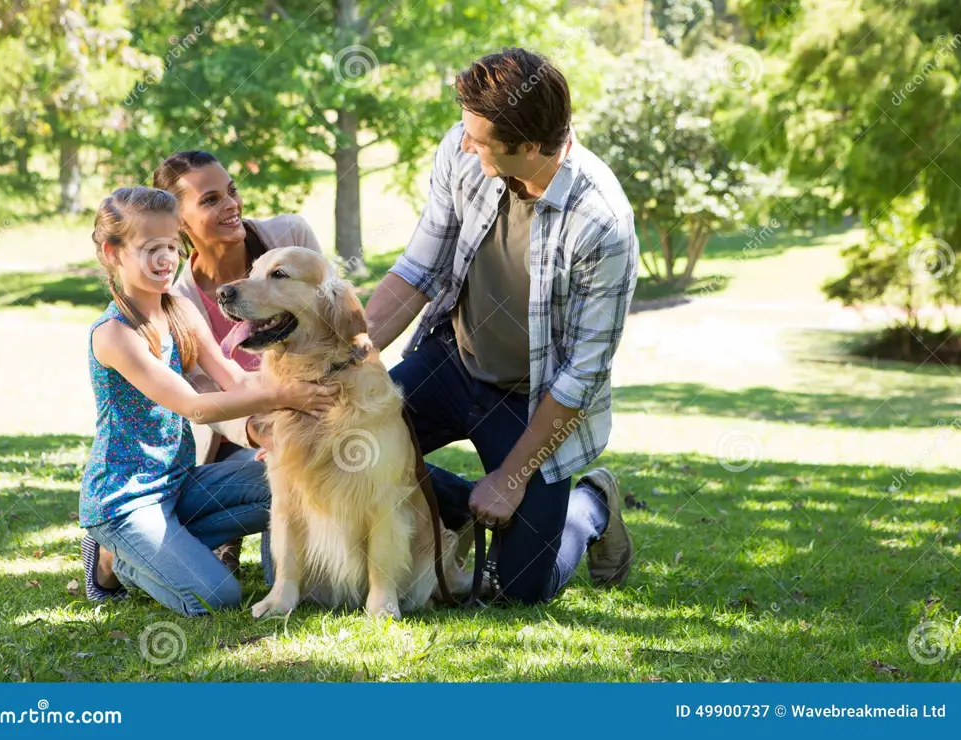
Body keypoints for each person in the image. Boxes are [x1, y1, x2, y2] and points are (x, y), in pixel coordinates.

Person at [365, 48, 639, 605]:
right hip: (453, 362)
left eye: (479, 139)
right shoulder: (463, 151)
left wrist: (513, 478)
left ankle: (590, 502)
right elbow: (419, 269)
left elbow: (582, 376)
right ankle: (471, 499)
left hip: (533, 401)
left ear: (531, 146)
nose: (464, 143)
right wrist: (344, 360)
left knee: (515, 590)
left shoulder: (602, 223)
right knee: (354, 442)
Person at [78, 186, 338, 616]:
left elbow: (233, 377)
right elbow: (194, 407)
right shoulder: (115, 335)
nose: (165, 259)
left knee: (290, 487)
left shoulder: (180, 309)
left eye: (171, 246)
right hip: (125, 500)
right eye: (150, 248)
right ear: (112, 252)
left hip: (178, 483)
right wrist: (284, 394)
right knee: (216, 597)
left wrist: (276, 421)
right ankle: (115, 558)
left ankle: (164, 546)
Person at [153, 151, 323, 573]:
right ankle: (219, 536)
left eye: (231, 192)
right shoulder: (178, 301)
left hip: (316, 413)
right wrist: (259, 430)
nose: (231, 205)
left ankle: (454, 511)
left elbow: (326, 322)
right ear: (178, 223)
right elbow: (202, 393)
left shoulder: (291, 236)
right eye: (210, 200)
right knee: (282, 559)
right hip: (241, 441)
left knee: (305, 582)